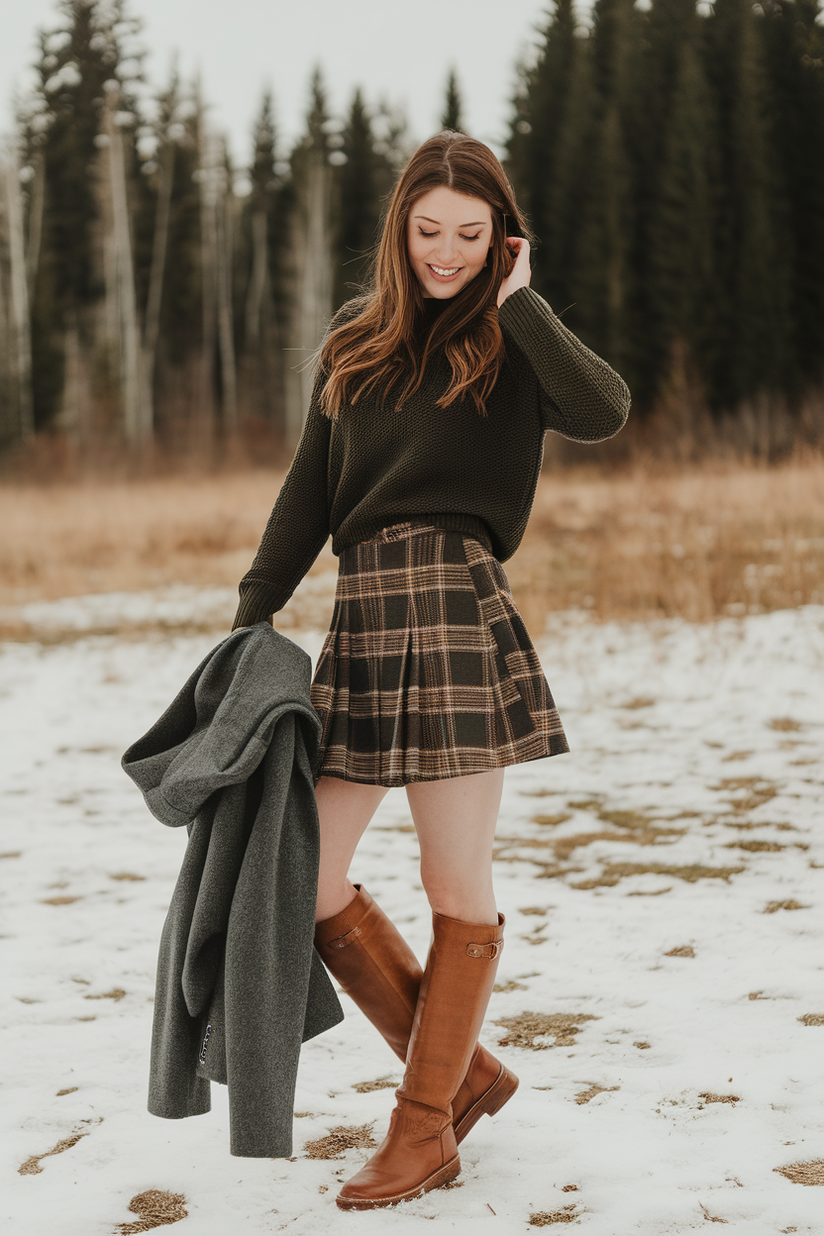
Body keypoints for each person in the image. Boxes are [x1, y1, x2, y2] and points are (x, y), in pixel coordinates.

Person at [232, 130, 630, 1210]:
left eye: (468, 235)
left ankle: (423, 1128)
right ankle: (459, 1074)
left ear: (500, 239)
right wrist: (249, 616)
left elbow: (602, 410)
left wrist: (522, 301)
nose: (444, 254)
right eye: (427, 233)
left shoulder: (510, 342)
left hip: (455, 612)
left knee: (455, 884)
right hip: (361, 619)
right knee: (306, 875)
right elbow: (307, 495)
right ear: (398, 229)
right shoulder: (353, 345)